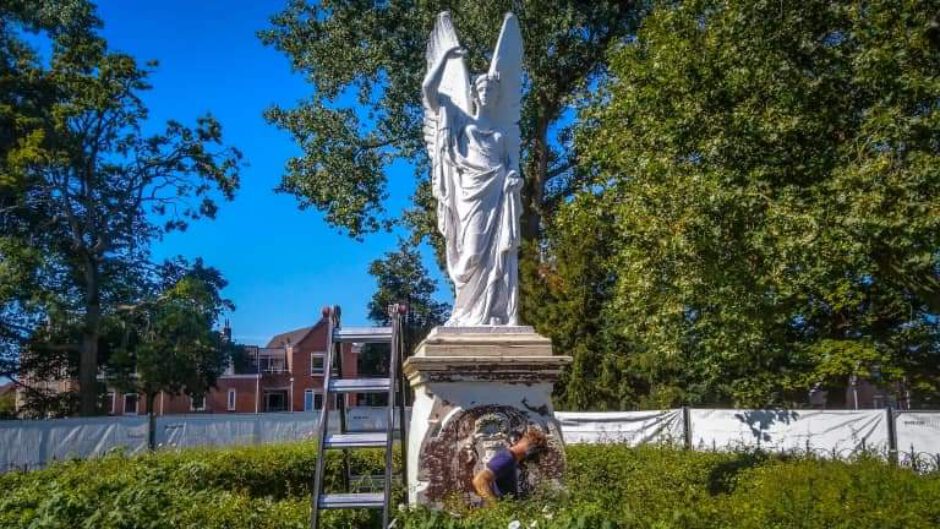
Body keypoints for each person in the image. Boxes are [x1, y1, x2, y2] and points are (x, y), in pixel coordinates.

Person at [471, 427, 547, 504]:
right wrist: (496, 508)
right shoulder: (507, 458)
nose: (536, 457)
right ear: (532, 449)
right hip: (502, 512)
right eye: (537, 453)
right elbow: (480, 480)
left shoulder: (512, 459)